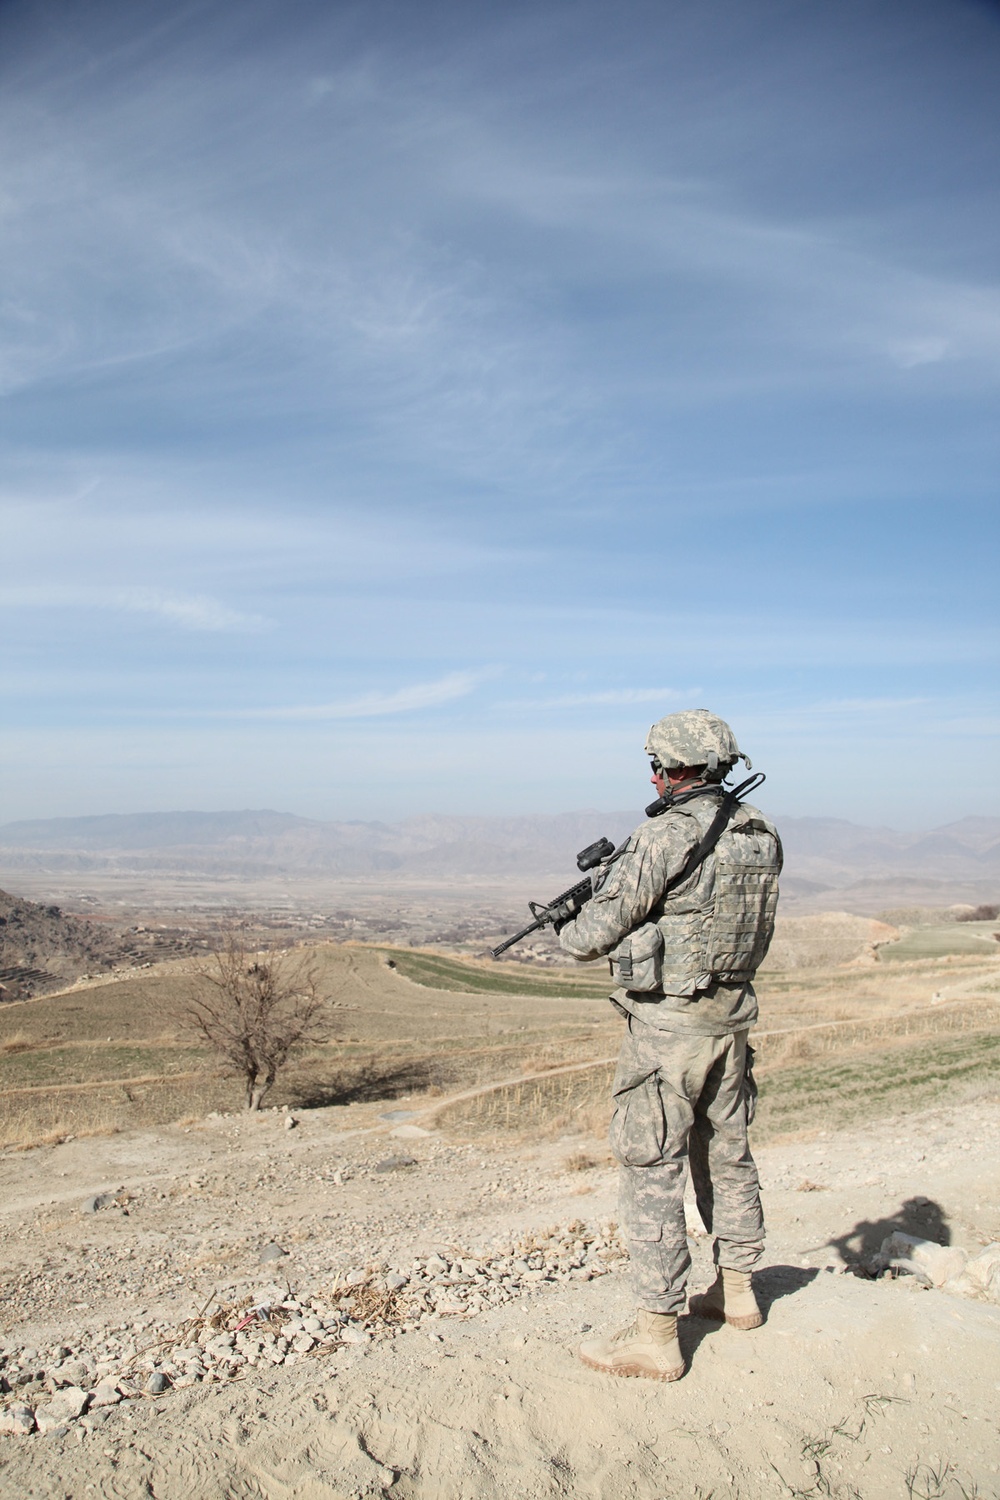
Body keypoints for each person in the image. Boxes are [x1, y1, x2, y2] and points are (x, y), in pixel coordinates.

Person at [556, 710, 782, 1382]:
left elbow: (588, 936)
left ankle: (657, 1334)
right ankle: (737, 1292)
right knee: (729, 1153)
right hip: (731, 1020)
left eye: (656, 763)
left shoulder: (664, 834)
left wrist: (570, 915)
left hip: (669, 1032)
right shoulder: (760, 832)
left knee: (653, 1168)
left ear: (669, 767)